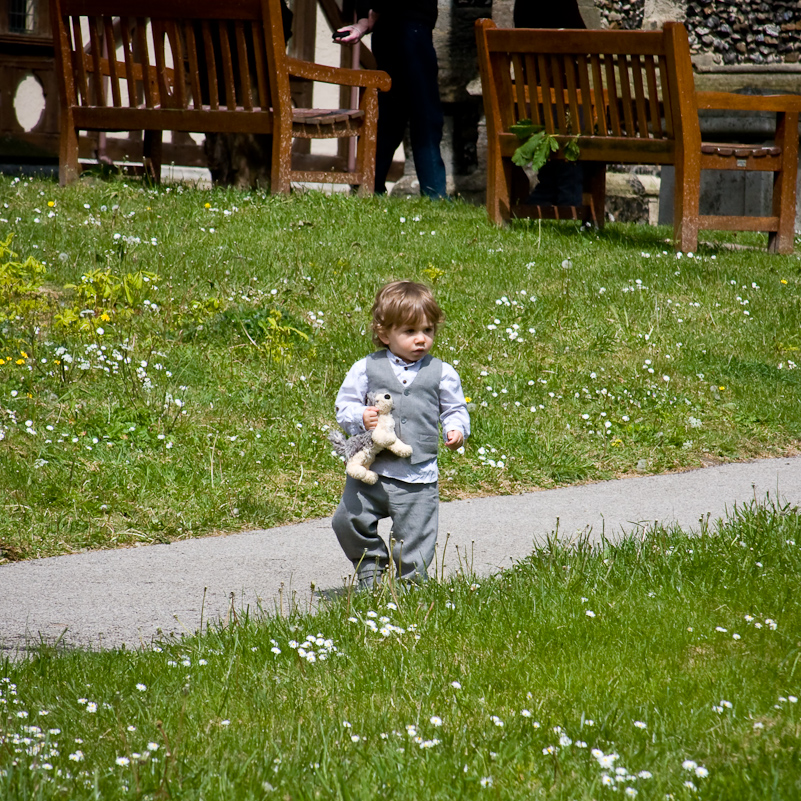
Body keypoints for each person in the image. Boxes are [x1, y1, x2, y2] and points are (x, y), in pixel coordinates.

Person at [331, 281, 470, 589]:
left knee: (415, 535)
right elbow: (345, 405)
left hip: (416, 473)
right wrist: (359, 417)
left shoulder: (442, 373)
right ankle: (370, 569)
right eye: (410, 332)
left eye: (428, 330)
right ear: (384, 334)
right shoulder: (366, 368)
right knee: (347, 521)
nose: (421, 339)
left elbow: (454, 409)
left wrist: (456, 428)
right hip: (371, 470)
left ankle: (411, 587)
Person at [334, 1, 447, 199]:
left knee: (389, 115)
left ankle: (368, 189)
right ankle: (434, 195)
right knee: (424, 115)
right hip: (409, 26)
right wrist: (374, 13)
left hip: (390, 29)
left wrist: (365, 18)